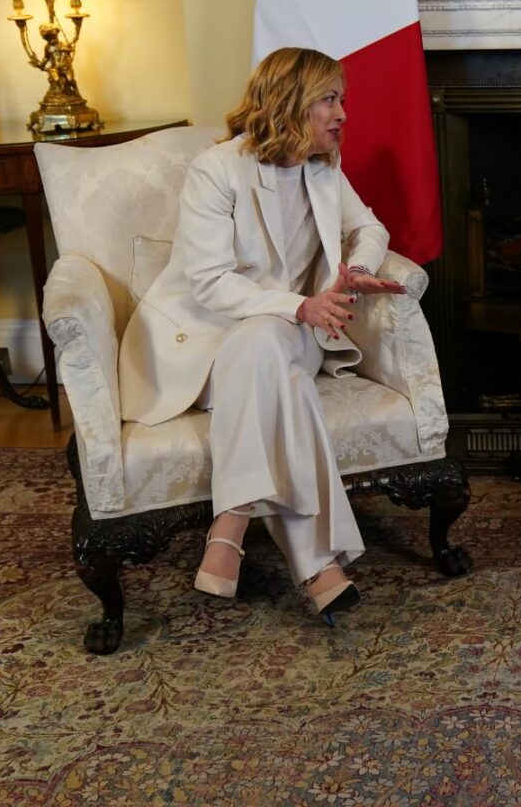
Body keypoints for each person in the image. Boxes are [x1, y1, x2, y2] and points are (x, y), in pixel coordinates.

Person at [118, 47, 407, 623]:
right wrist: (300, 305)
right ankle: (319, 567)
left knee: (267, 345)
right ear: (290, 102)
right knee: (274, 368)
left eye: (341, 99)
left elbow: (369, 227)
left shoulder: (324, 168)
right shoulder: (218, 169)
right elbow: (208, 282)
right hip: (209, 340)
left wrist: (353, 269)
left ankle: (230, 525)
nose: (343, 113)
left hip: (290, 332)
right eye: (329, 99)